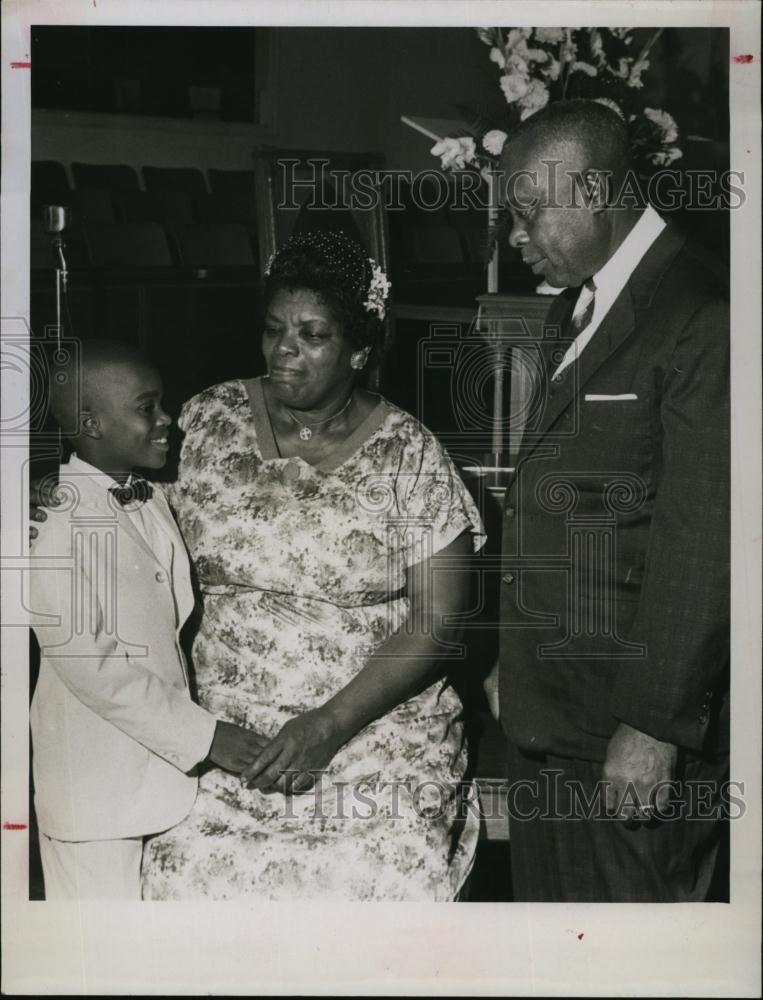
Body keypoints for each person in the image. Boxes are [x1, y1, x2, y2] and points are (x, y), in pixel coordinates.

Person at [138, 230, 486, 900]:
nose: (283, 352)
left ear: (359, 349)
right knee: (188, 871)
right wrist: (64, 490)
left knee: (378, 869)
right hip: (227, 727)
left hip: (372, 728)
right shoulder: (206, 421)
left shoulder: (408, 454)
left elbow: (439, 623)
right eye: (272, 331)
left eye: (311, 335)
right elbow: (129, 513)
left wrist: (326, 727)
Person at [486, 99, 729, 902]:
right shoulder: (575, 310)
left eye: (527, 213)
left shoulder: (703, 314)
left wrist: (654, 724)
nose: (515, 238)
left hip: (630, 731)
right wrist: (511, 665)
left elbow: (704, 542)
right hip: (551, 717)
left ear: (590, 192)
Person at [28, 341, 265, 899]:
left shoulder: (153, 495)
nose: (169, 420)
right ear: (91, 423)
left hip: (162, 785)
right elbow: (95, 670)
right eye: (147, 407)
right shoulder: (48, 524)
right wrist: (208, 738)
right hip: (94, 794)